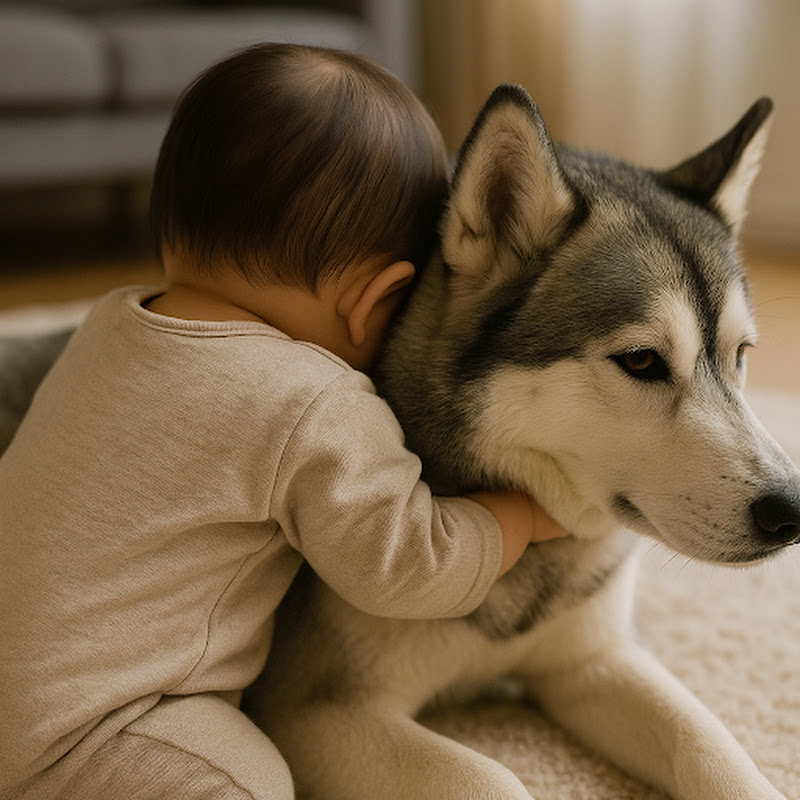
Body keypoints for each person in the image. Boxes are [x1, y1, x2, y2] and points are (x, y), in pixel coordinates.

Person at [0, 43, 567, 800]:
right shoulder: (310, 401)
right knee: (252, 778)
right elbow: (403, 565)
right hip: (96, 733)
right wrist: (519, 517)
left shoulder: (108, 325)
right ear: (376, 298)